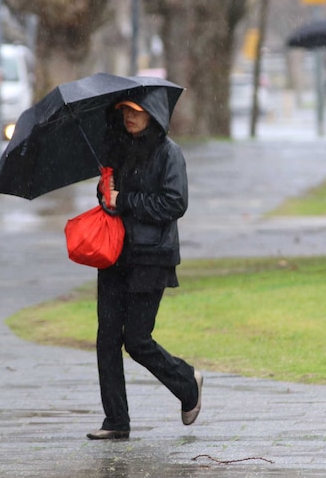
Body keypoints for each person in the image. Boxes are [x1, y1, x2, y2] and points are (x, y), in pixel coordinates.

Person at [86, 88, 202, 440]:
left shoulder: (170, 153)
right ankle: (116, 421)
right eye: (124, 111)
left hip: (151, 258)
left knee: (136, 340)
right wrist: (105, 194)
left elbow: (174, 203)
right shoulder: (116, 150)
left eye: (136, 110)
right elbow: (111, 201)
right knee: (107, 339)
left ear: (152, 113)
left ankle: (187, 382)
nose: (129, 117)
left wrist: (126, 200)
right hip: (114, 255)